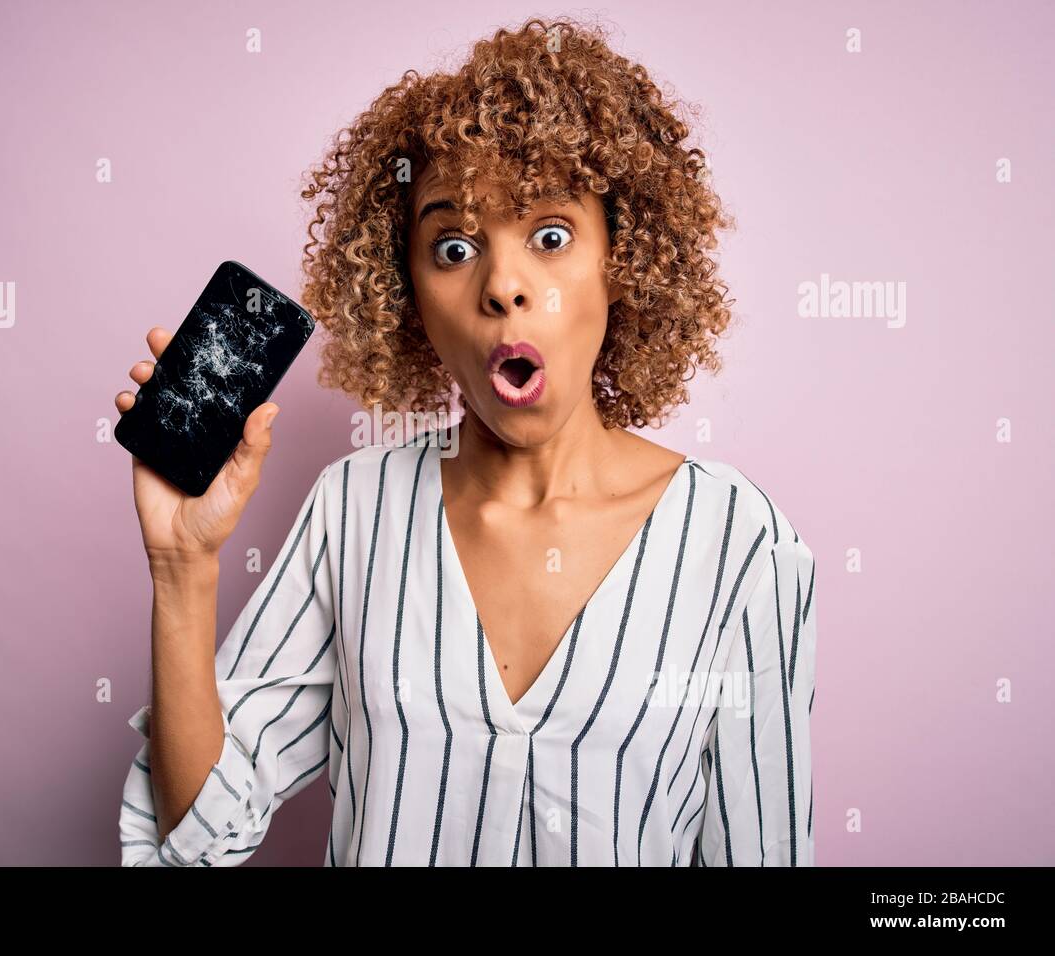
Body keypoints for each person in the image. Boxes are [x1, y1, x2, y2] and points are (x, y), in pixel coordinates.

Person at [115, 15, 817, 866]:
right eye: (453, 246)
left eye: (551, 237)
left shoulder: (741, 544)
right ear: (407, 295)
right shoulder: (355, 510)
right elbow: (199, 839)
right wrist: (181, 569)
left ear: (620, 261)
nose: (504, 287)